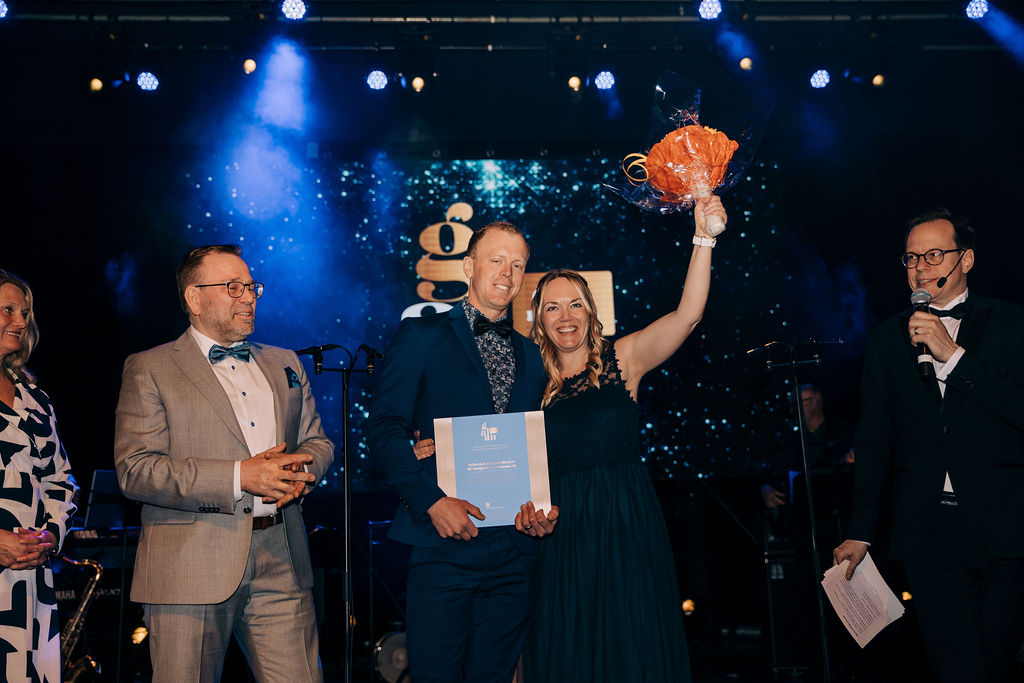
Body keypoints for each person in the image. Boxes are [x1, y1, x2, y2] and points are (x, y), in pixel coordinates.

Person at [520, 197, 725, 683]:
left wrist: (703, 238)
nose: (565, 316)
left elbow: (688, 315)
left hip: (624, 523)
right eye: (552, 307)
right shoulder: (527, 386)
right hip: (560, 535)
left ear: (591, 311)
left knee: (632, 646)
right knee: (570, 651)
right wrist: (434, 445)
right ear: (538, 320)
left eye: (575, 304)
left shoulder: (624, 358)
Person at [114, 245, 334, 683]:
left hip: (282, 557)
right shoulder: (150, 368)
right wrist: (240, 476)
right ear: (194, 298)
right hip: (189, 566)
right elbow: (136, 470)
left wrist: (301, 473)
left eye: (251, 287)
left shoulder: (285, 362)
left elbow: (318, 441)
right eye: (233, 287)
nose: (248, 297)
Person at [833, 209, 1024, 683]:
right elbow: (874, 439)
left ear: (966, 260)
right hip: (927, 528)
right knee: (957, 667)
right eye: (912, 258)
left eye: (934, 254)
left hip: (1005, 523)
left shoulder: (1013, 324)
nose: (921, 267)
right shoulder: (885, 340)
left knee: (998, 661)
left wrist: (953, 357)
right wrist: (860, 530)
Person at [366, 221, 556, 683]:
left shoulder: (534, 356)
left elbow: (535, 445)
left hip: (515, 550)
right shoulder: (421, 335)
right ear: (469, 266)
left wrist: (541, 508)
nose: (507, 273)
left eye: (518, 265)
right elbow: (384, 427)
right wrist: (432, 502)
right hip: (443, 544)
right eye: (497, 260)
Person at [0, 269, 78, 683]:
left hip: (30, 584)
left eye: (25, 313)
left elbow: (61, 480)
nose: (20, 320)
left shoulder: (36, 400)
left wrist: (50, 535)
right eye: (8, 310)